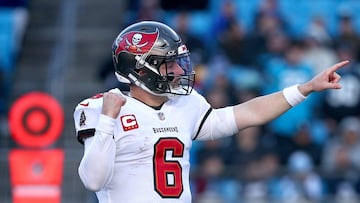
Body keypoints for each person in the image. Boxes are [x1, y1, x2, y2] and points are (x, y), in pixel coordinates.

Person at [73, 21, 348, 202]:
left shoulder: (185, 104)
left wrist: (305, 88)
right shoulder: (102, 108)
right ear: (141, 69)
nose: (180, 71)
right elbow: (93, 179)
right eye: (170, 65)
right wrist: (108, 120)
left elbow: (246, 114)